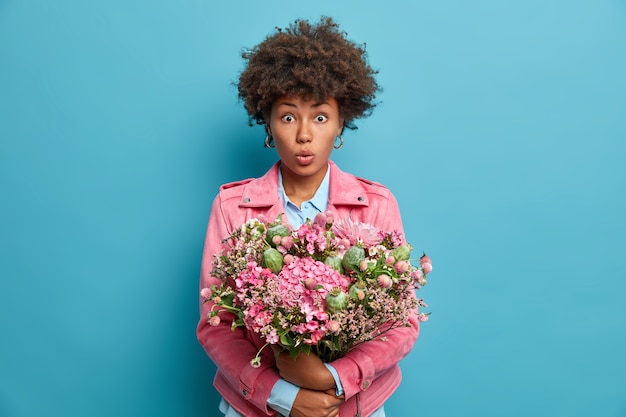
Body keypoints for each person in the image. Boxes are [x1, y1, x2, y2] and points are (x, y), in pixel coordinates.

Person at [197, 17, 419, 417]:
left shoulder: (377, 204)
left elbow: (401, 324)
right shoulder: (232, 208)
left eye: (319, 117)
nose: (304, 134)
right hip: (255, 407)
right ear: (267, 123)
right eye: (287, 117)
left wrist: (332, 381)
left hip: (353, 408)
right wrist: (285, 397)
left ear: (339, 124)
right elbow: (217, 325)